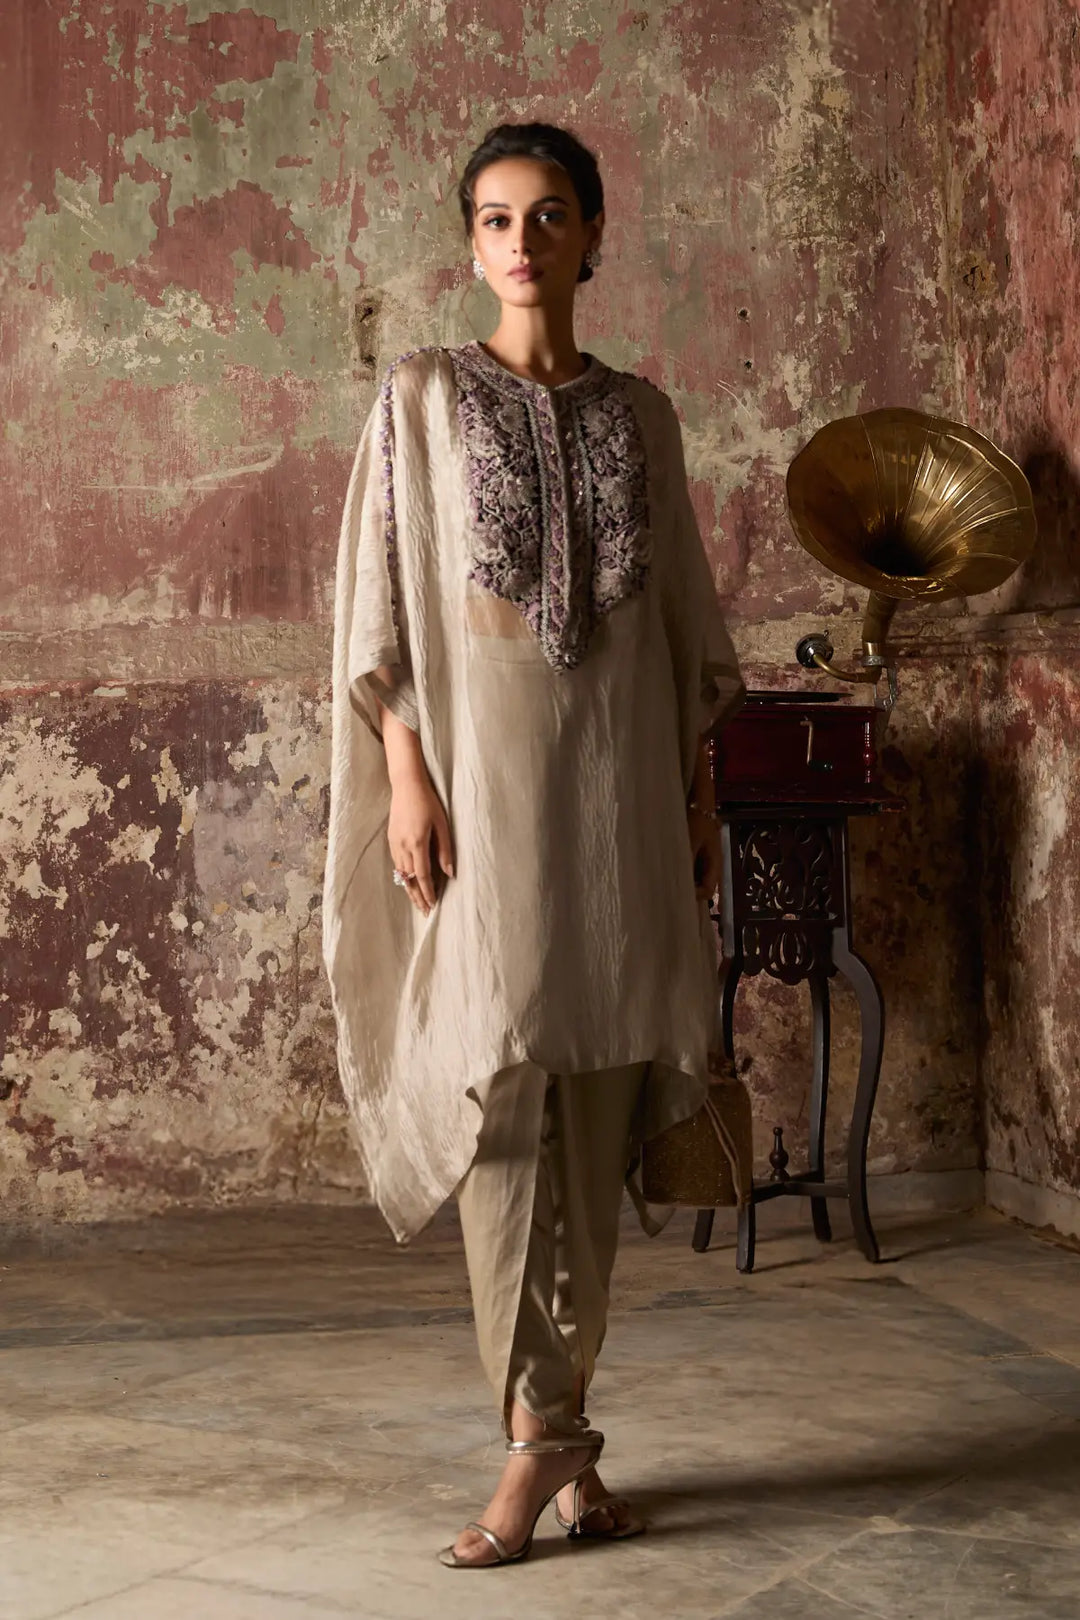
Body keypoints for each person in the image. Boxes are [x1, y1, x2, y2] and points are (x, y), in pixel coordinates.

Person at [322, 120, 744, 1569]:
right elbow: (382, 602)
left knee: (609, 1095)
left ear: (591, 235)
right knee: (500, 1090)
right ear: (472, 244)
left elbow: (684, 625)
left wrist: (696, 796)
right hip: (484, 786)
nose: (520, 240)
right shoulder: (424, 399)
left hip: (622, 789)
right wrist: (404, 769)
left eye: (548, 214)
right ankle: (537, 1440)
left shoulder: (646, 417)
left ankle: (556, 1439)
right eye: (495, 218)